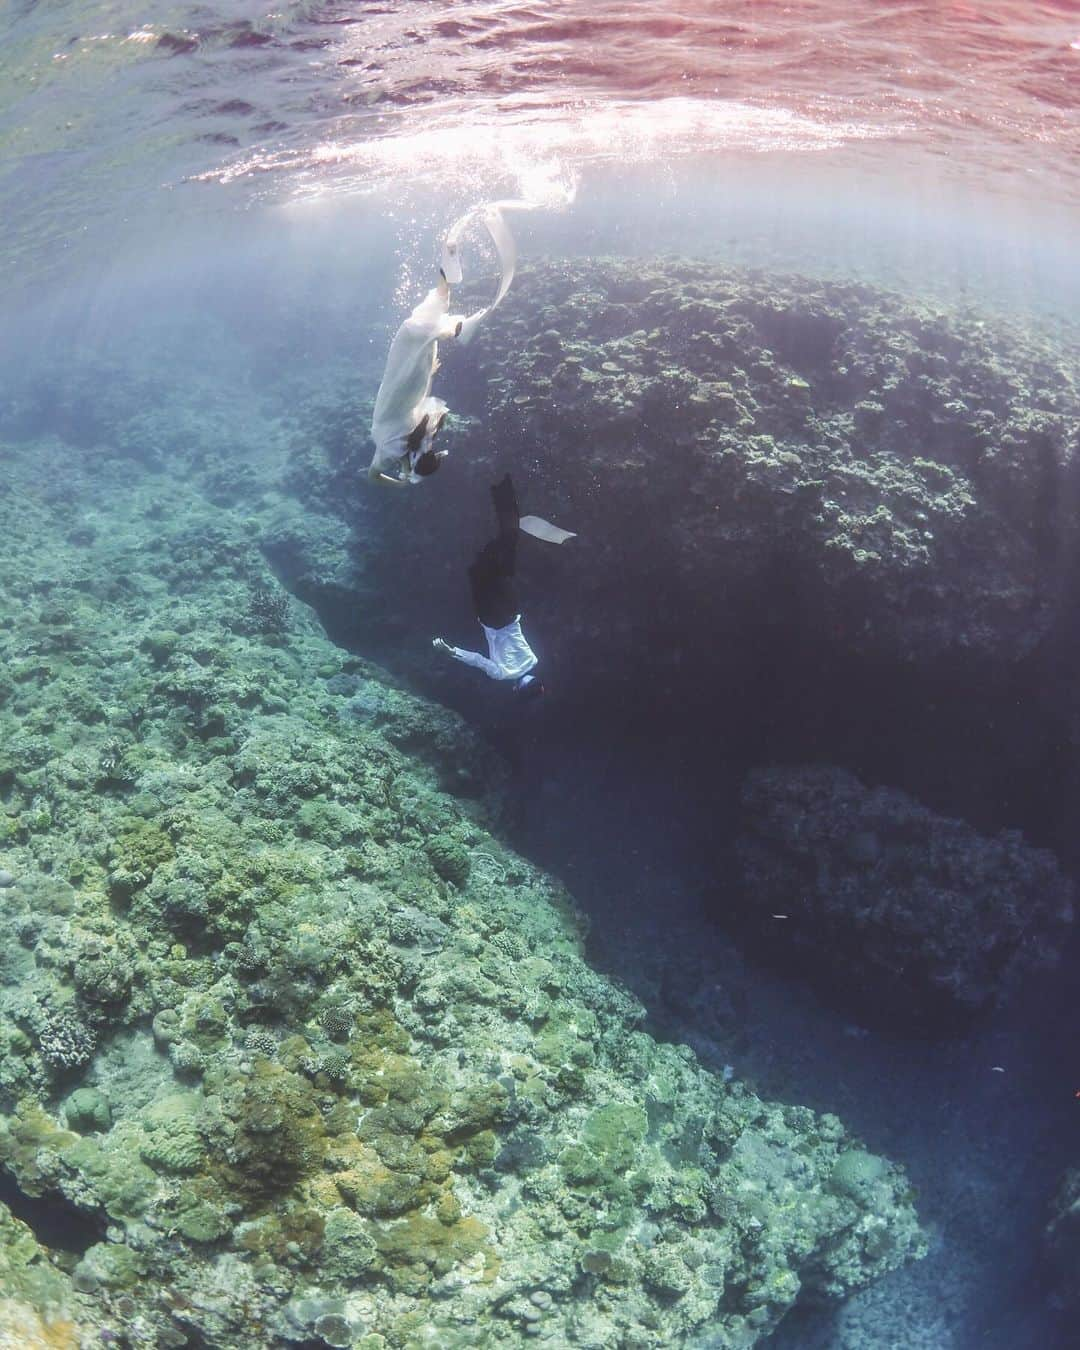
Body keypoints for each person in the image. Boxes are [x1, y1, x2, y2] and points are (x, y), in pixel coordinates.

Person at [367, 201, 537, 487]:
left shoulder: (416, 437)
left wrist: (405, 480)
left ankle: (451, 286)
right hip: (404, 377)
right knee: (429, 319)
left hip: (411, 381)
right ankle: (449, 277)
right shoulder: (394, 449)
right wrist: (403, 482)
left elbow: (416, 403)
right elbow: (374, 478)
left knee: (437, 313)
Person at [433, 475, 574, 697]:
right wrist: (450, 652)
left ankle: (505, 496)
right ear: (518, 688)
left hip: (511, 608)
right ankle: (492, 518)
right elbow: (478, 660)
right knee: (478, 570)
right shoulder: (503, 674)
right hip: (491, 616)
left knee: (503, 563)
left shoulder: (533, 659)